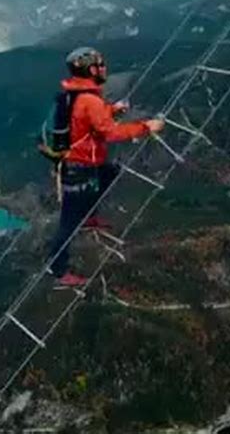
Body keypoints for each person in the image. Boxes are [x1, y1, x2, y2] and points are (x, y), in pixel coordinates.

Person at [49, 46, 164, 287]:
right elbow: (109, 133)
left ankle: (89, 215)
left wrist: (111, 109)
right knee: (69, 222)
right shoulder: (89, 99)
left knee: (109, 172)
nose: (104, 69)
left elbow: (85, 119)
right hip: (80, 165)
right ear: (90, 69)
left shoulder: (77, 94)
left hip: (80, 162)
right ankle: (58, 269)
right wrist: (146, 127)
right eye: (100, 65)